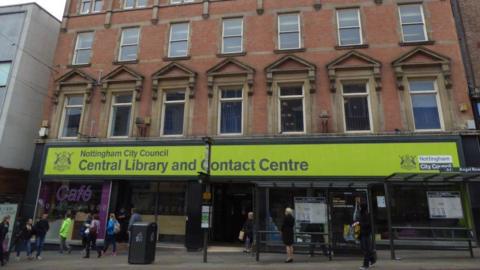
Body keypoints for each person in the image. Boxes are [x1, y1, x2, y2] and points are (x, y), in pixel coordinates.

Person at [354, 204, 376, 270]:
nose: (359, 208)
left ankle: (366, 265)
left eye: (360, 207)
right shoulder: (363, 214)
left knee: (365, 249)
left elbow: (366, 224)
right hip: (363, 234)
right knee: (365, 248)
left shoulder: (366, 215)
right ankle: (372, 259)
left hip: (365, 234)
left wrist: (359, 223)